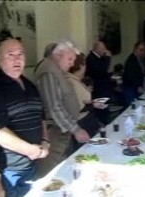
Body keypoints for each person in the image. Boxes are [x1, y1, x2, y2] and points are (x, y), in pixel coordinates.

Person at [0, 39, 49, 196]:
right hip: (10, 172)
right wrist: (31, 151)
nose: (17, 59)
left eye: (20, 54)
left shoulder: (30, 85)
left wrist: (45, 141)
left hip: (32, 166)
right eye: (10, 54)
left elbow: (42, 117)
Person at [34, 40, 90, 177]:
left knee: (62, 168)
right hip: (53, 133)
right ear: (58, 55)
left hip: (62, 130)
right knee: (51, 173)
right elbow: (54, 107)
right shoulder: (48, 72)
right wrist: (76, 129)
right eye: (69, 59)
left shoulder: (56, 70)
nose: (72, 64)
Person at [65, 53, 106, 140]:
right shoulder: (73, 83)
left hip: (85, 119)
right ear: (81, 66)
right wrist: (93, 104)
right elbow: (77, 108)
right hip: (82, 121)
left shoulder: (73, 80)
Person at [85, 41, 112, 125]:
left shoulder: (98, 57)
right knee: (101, 112)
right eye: (103, 48)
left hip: (102, 88)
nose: (105, 50)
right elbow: (102, 70)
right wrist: (107, 58)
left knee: (104, 111)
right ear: (96, 48)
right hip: (98, 89)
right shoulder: (91, 58)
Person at [122, 41, 145, 107]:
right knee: (131, 107)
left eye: (143, 50)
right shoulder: (131, 60)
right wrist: (138, 86)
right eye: (140, 50)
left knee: (136, 106)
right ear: (135, 49)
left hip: (134, 87)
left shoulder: (138, 59)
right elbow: (131, 75)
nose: (142, 52)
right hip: (130, 88)